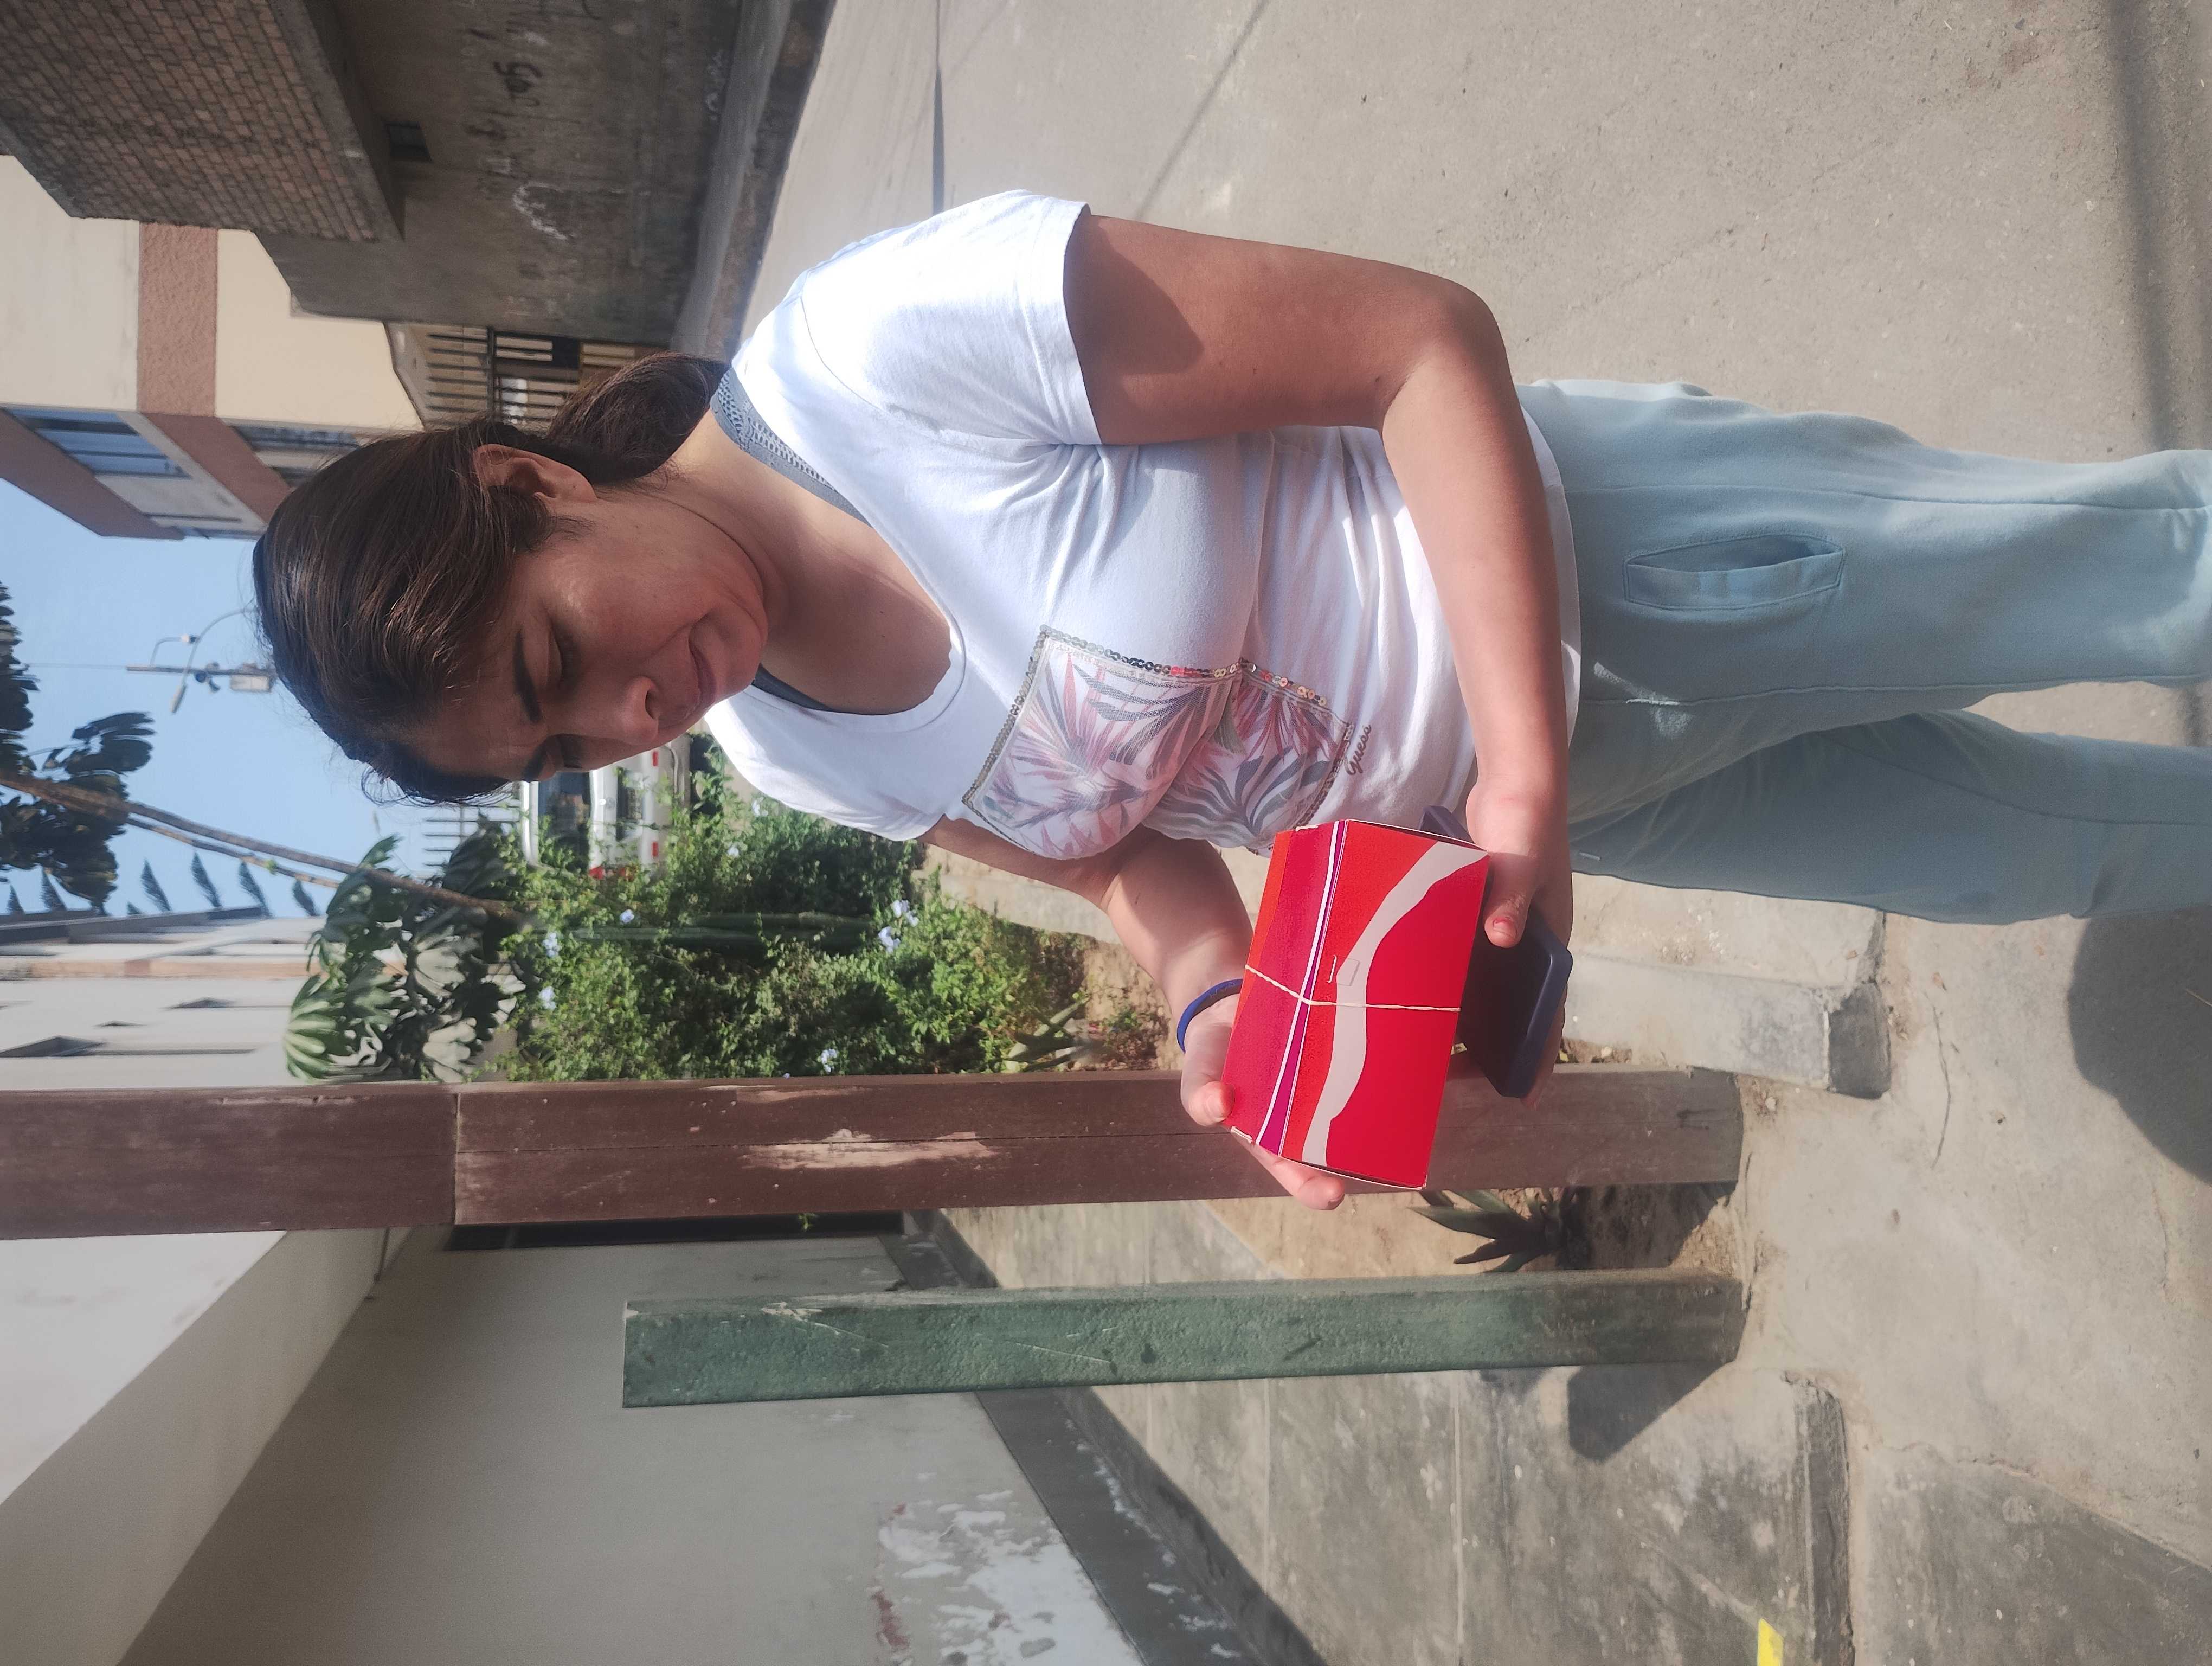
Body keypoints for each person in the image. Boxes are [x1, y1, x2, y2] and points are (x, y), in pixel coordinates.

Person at [254, 191, 2212, 1210]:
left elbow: (1415, 345)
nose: (629, 716)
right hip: (1531, 827)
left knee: (2144, 576)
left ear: (533, 484)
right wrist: (1220, 1011)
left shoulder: (874, 357)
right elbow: (1120, 856)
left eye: (558, 660)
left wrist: (1523, 767)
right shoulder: (786, 745)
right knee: (2036, 852)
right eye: (567, 748)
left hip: (1616, 567)